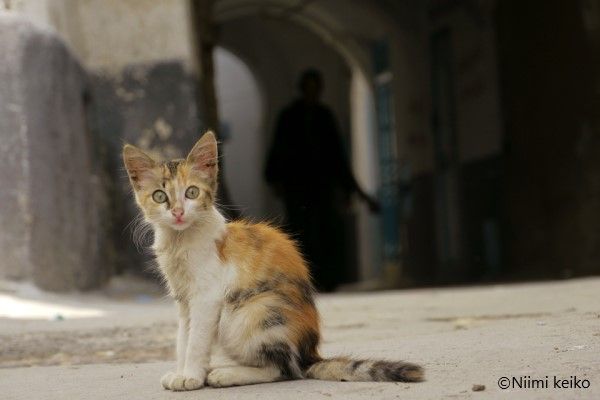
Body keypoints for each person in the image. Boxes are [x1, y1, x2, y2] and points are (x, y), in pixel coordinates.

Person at [265, 68, 379, 291]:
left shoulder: (324, 116)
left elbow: (337, 156)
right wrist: (275, 180)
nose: (312, 92)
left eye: (315, 88)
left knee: (327, 232)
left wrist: (350, 190)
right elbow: (277, 150)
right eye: (309, 87)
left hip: (322, 187)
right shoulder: (289, 117)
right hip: (296, 187)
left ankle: (327, 280)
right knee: (299, 232)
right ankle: (299, 279)